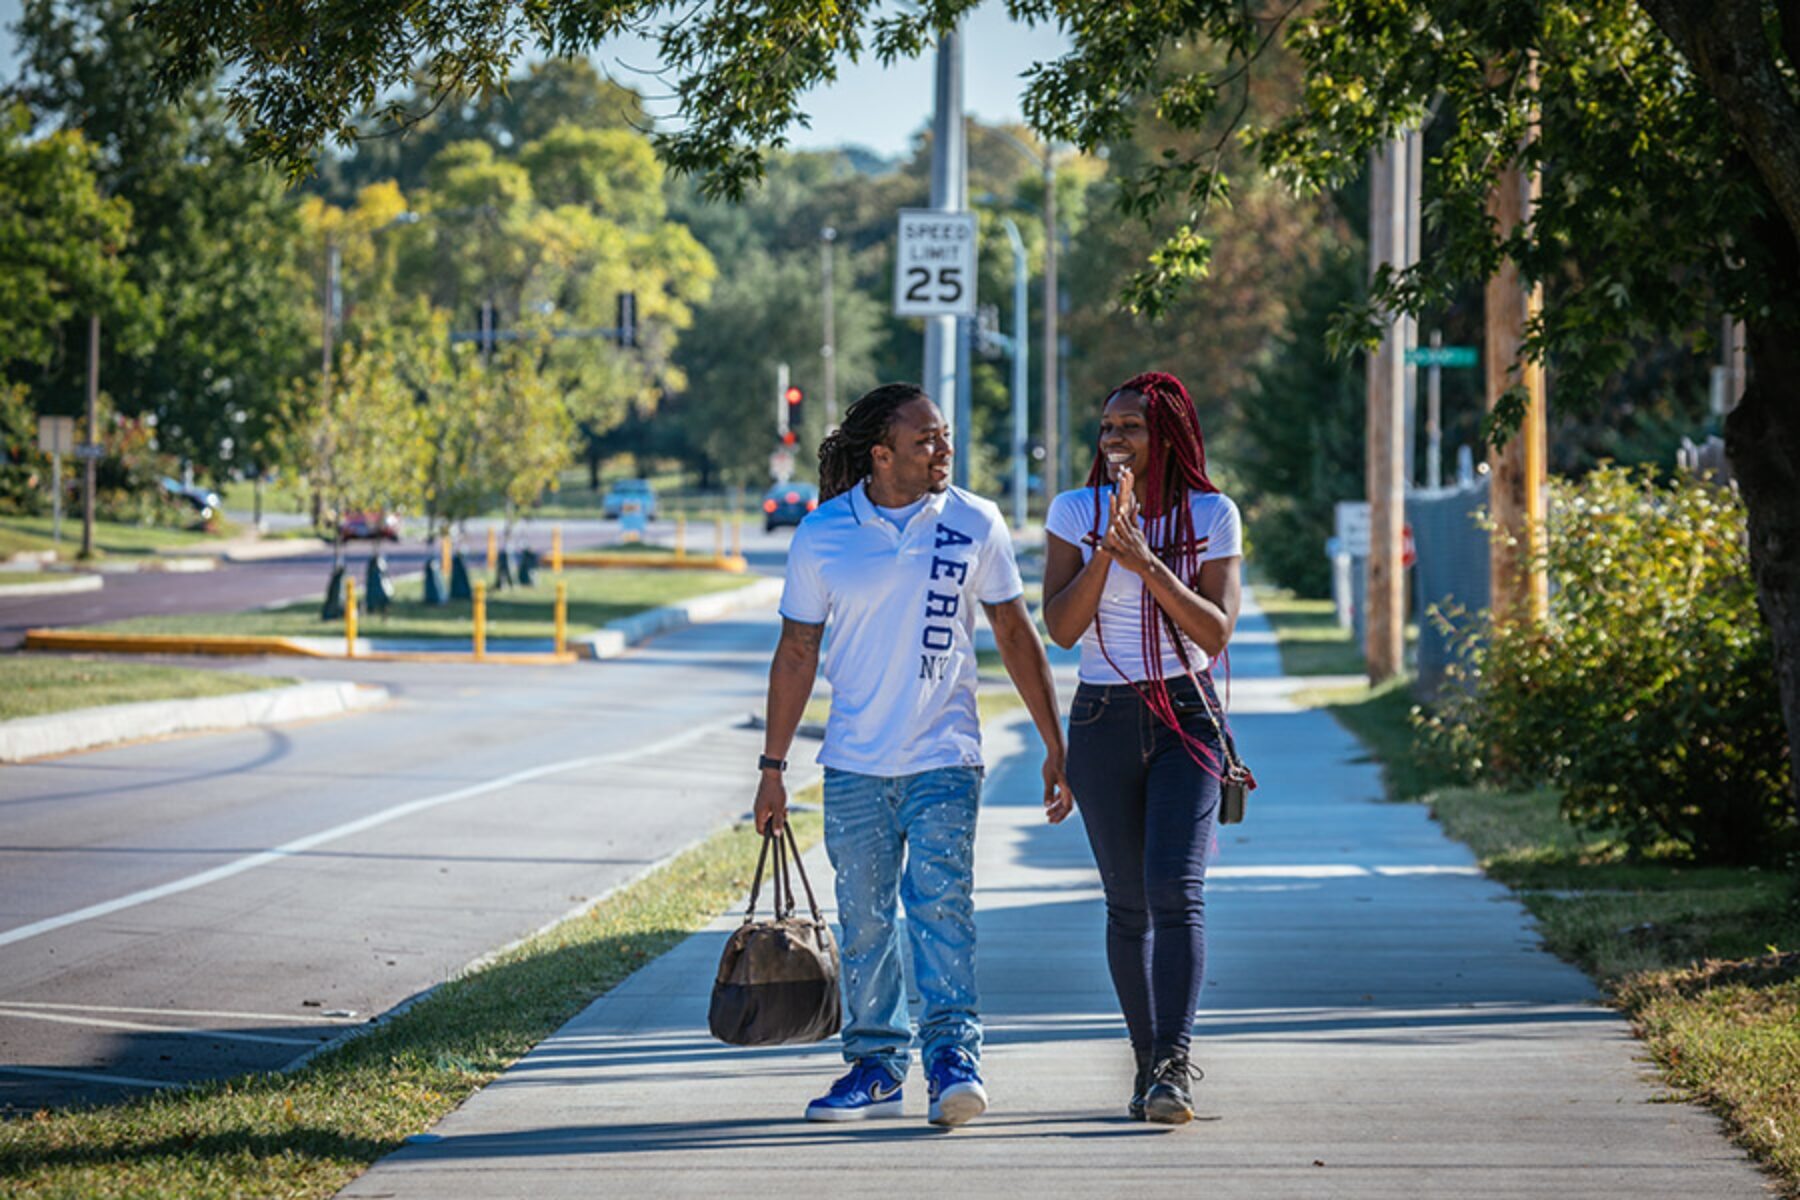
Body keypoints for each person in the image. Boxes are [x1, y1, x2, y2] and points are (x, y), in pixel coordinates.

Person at [755, 382, 1072, 1128]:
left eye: (944, 435)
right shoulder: (825, 533)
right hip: (855, 765)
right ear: (882, 452)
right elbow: (797, 650)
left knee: (941, 911)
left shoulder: (973, 520)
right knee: (863, 920)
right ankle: (874, 1067)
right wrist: (773, 768)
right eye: (926, 438)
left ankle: (954, 1060)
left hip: (945, 756)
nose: (943, 447)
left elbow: (1018, 635)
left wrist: (1056, 742)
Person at [1040, 371, 1243, 1125]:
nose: (1113, 440)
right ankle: (1146, 1065)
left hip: (1187, 714)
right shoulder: (1074, 511)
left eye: (1129, 427)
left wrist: (1149, 562)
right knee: (1127, 906)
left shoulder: (1211, 514)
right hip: (1102, 720)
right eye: (1106, 428)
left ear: (1168, 435)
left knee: (1175, 892)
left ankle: (1173, 1063)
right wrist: (1107, 550)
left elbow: (1216, 633)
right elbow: (1060, 630)